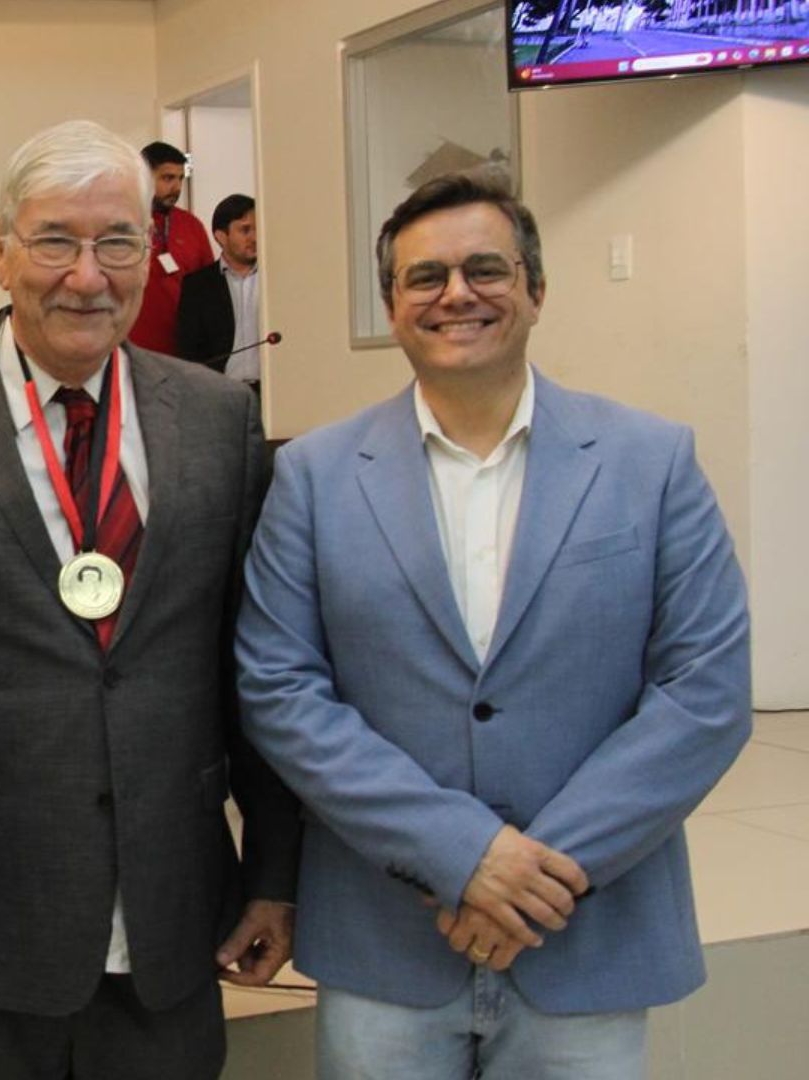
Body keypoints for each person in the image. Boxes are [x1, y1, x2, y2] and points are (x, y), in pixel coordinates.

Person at [235, 169, 751, 1079]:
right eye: (424, 278)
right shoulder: (312, 477)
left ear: (537, 289)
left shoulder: (651, 461)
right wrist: (461, 854)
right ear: (393, 307)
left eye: (486, 269)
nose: (457, 295)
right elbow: (280, 691)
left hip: (585, 933)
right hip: (386, 941)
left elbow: (703, 694)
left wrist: (535, 879)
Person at [0, 119, 299, 1080]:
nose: (87, 275)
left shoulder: (219, 420)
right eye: (54, 240)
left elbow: (254, 668)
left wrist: (275, 874)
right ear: (0, 250)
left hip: (172, 930)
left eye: (118, 241)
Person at [127, 140, 215, 358]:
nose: (176, 188)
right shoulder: (119, 222)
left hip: (183, 352)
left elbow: (208, 290)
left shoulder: (191, 225)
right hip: (130, 349)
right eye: (167, 178)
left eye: (180, 179)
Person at [175, 194, 260, 386]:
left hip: (274, 393)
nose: (254, 237)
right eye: (245, 230)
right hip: (223, 390)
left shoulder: (276, 280)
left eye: (257, 228)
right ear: (221, 236)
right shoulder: (197, 285)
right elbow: (188, 352)